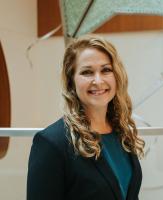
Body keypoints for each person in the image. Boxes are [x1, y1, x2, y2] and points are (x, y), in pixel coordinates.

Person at [27, 34, 145, 200]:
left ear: (116, 75)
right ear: (71, 82)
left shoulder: (122, 133)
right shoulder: (51, 143)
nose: (98, 80)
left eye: (106, 70)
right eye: (87, 72)